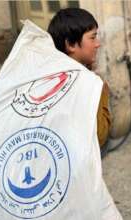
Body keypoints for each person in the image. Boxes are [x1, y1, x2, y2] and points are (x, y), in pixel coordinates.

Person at [47, 8, 111, 150]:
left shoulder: (50, 76)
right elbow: (100, 135)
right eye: (92, 37)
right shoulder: (87, 84)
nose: (97, 43)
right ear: (70, 44)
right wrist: (102, 92)